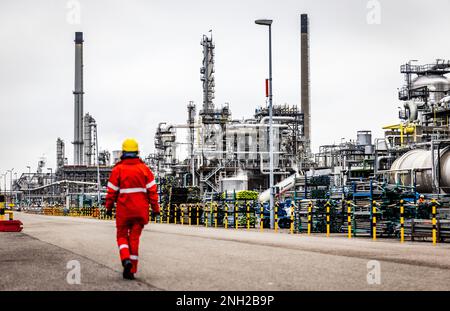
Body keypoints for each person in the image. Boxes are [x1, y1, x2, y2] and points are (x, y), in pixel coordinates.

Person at [105, 138, 160, 280]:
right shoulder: (144, 169)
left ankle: (125, 260)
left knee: (122, 236)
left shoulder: (118, 169)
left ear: (123, 152)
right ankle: (132, 269)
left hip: (124, 211)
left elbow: (111, 192)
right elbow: (152, 192)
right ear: (137, 152)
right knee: (134, 238)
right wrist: (155, 209)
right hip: (140, 212)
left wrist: (108, 207)